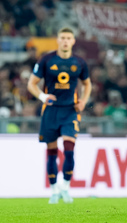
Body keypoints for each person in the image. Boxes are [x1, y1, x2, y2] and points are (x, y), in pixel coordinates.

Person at [27, 27, 92, 204]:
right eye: (62, 37)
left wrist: (84, 101)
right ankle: (54, 190)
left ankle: (65, 187)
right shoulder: (46, 59)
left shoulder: (79, 62)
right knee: (52, 153)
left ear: (73, 41)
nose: (65, 41)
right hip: (50, 110)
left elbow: (87, 84)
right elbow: (31, 84)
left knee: (69, 151)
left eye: (68, 38)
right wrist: (42, 96)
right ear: (57, 40)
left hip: (70, 111)